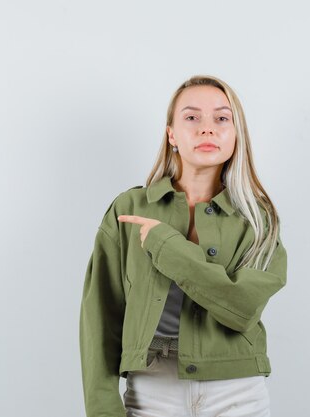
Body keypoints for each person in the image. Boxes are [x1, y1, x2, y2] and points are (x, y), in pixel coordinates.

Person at [79, 75, 288, 417]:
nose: (208, 129)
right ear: (172, 134)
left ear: (237, 135)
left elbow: (243, 309)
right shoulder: (128, 209)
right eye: (192, 117)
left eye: (222, 118)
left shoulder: (258, 219)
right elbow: (99, 317)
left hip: (237, 394)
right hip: (151, 393)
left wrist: (167, 248)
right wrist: (103, 409)